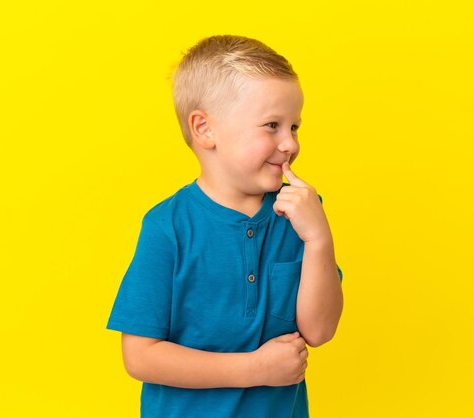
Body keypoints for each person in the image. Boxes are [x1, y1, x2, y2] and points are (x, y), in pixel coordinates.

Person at [106, 34, 343, 418]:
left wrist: (318, 239)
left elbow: (319, 331)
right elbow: (140, 357)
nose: (290, 144)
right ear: (204, 129)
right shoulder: (167, 227)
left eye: (295, 126)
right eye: (272, 125)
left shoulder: (302, 215)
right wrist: (255, 369)